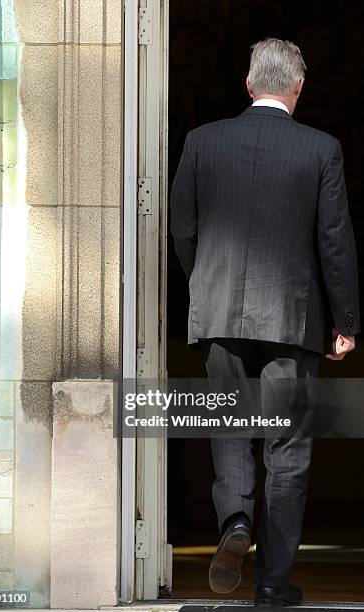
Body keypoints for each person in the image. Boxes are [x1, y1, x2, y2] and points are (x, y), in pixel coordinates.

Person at [169, 38, 360, 607]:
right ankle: (272, 583)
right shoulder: (321, 150)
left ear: (249, 85)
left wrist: (205, 284)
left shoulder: (203, 142)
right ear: (297, 88)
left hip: (219, 313)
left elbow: (183, 228)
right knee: (287, 449)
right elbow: (334, 241)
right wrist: (344, 319)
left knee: (228, 430)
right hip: (292, 318)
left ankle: (235, 524)